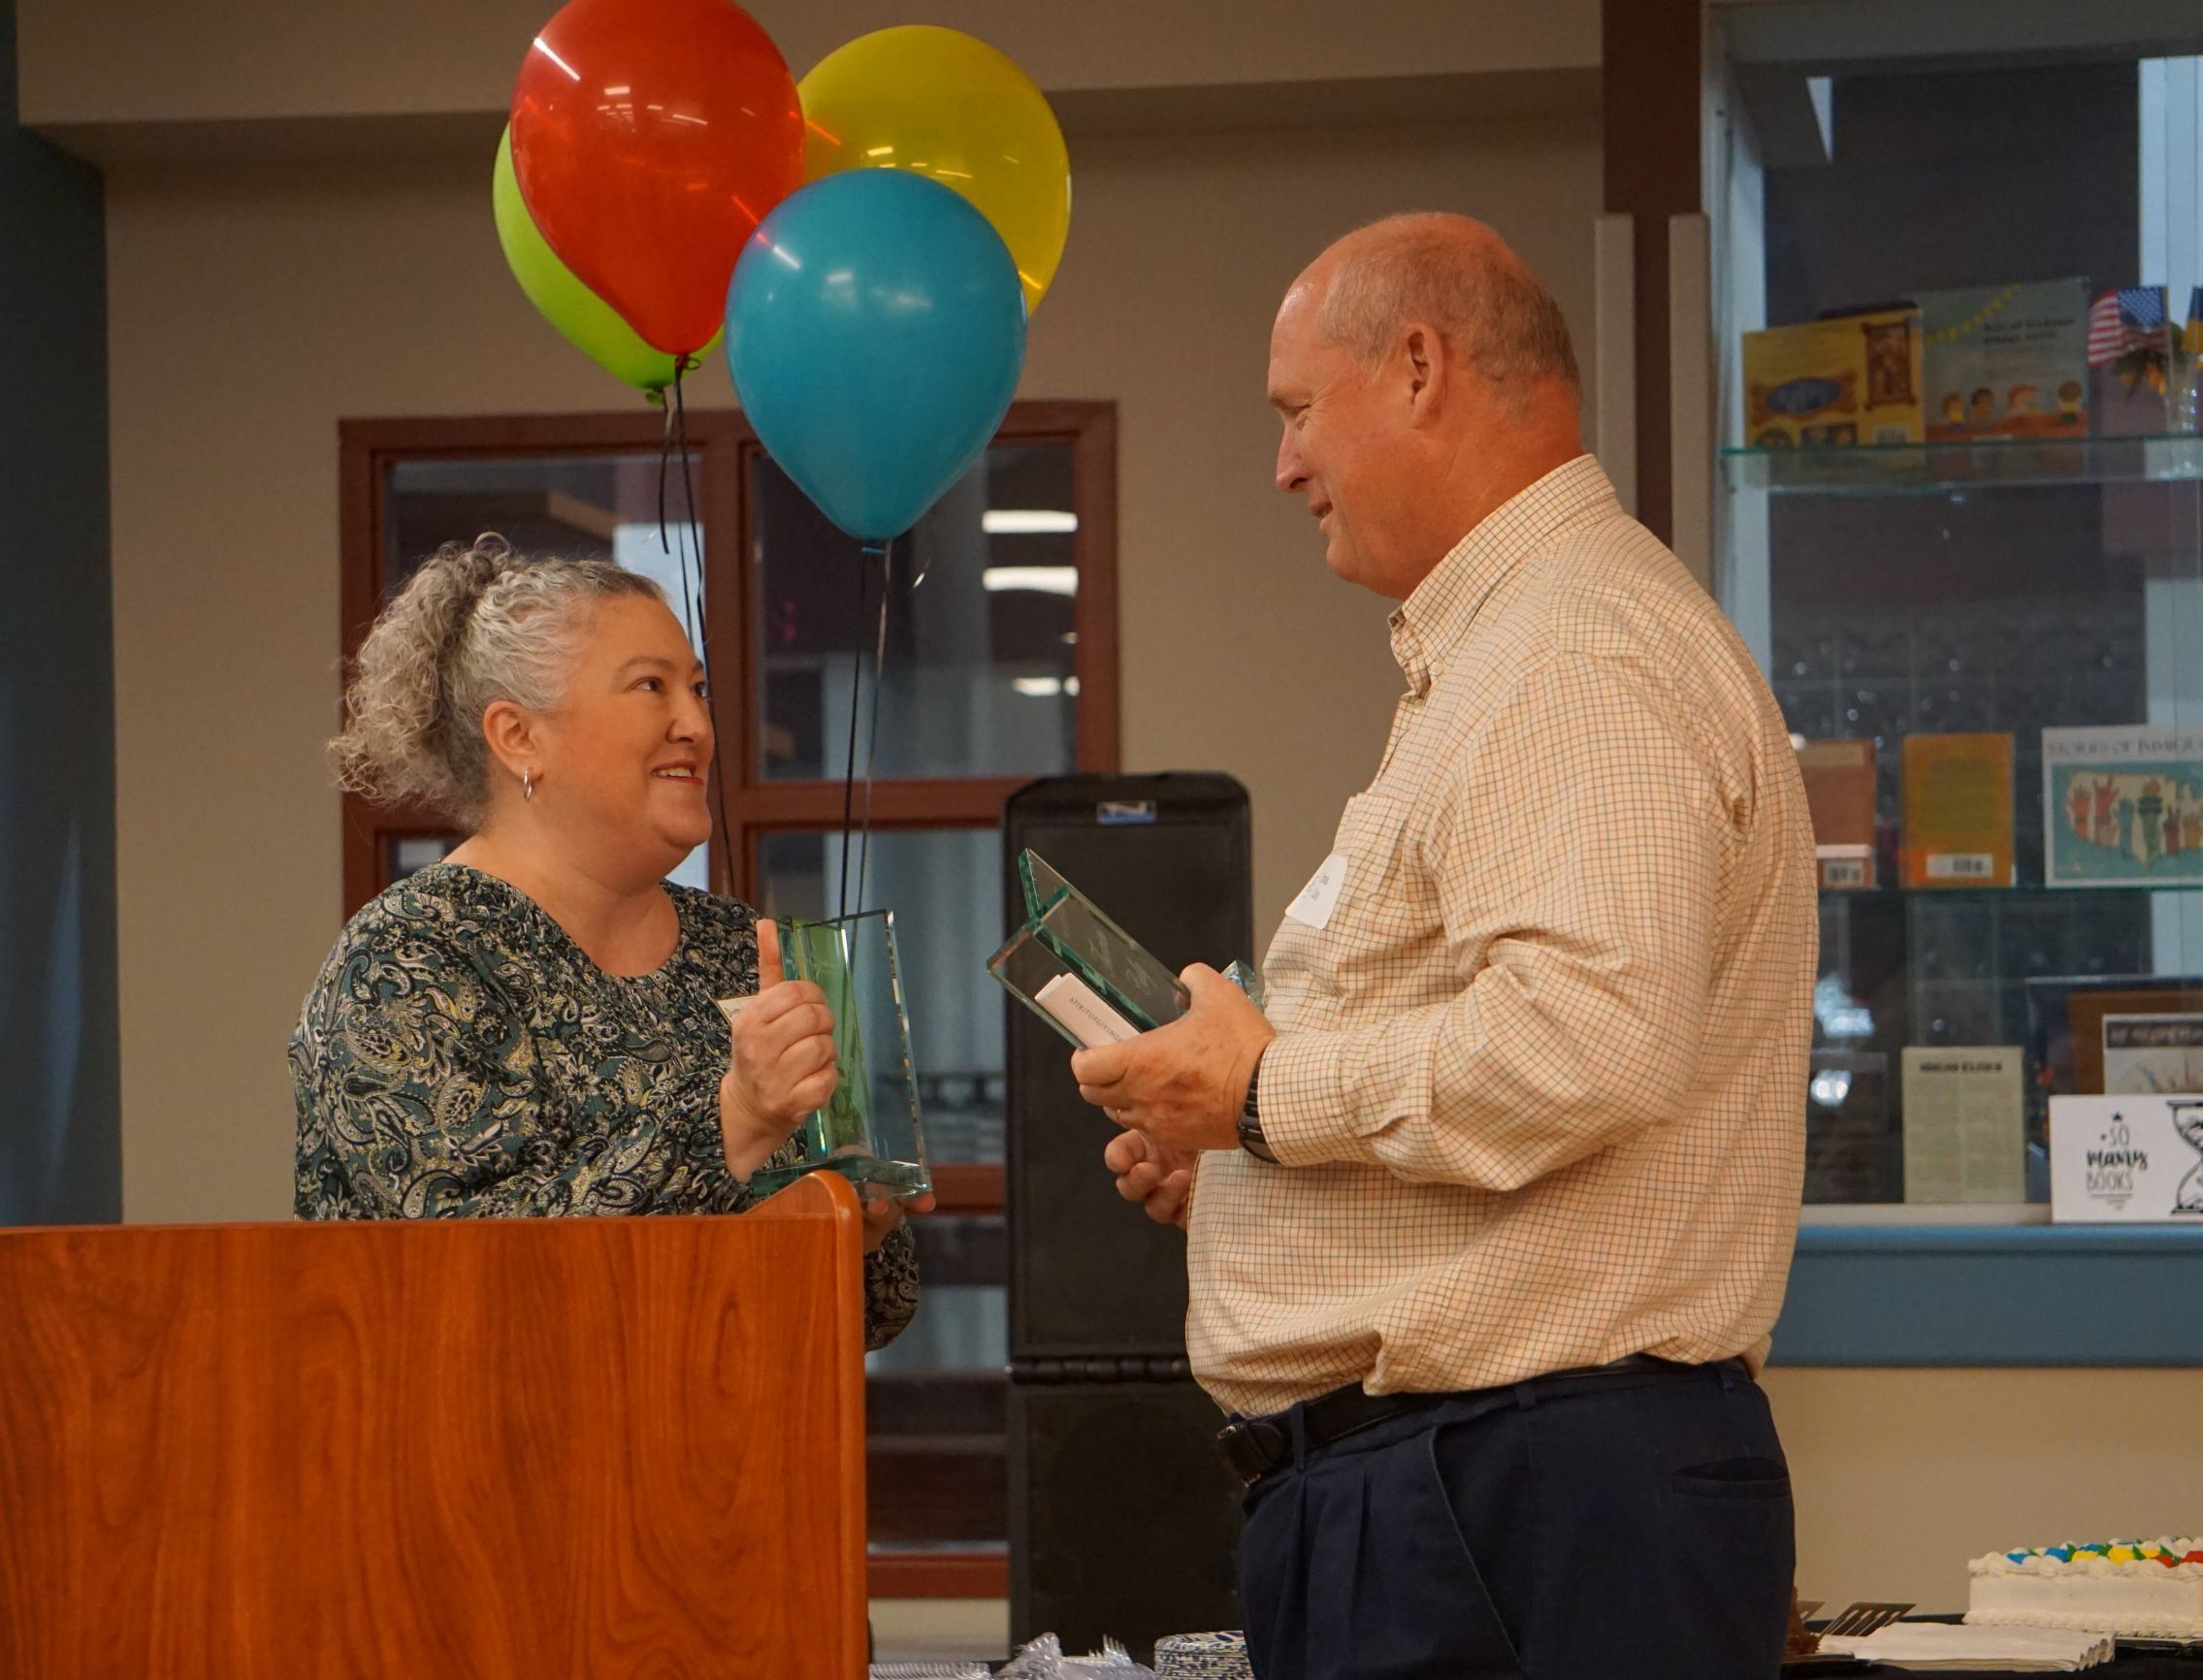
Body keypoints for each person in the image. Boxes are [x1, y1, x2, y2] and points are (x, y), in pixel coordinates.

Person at [1071, 215, 1817, 1678]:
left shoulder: (1572, 652)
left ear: (1417, 368)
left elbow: (1582, 1041)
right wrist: (1243, 1152)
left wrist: (1271, 1097)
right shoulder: (1520, 646)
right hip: (1488, 1491)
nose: (1282, 466)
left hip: (1513, 1500)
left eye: (1294, 412)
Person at [291, 536, 922, 1349]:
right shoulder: (409, 961)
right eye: (650, 687)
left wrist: (856, 1228)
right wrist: (732, 1121)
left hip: (744, 1454)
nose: (695, 724)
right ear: (518, 736)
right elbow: (472, 1280)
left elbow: (875, 1310)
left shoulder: (738, 946)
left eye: (696, 689)